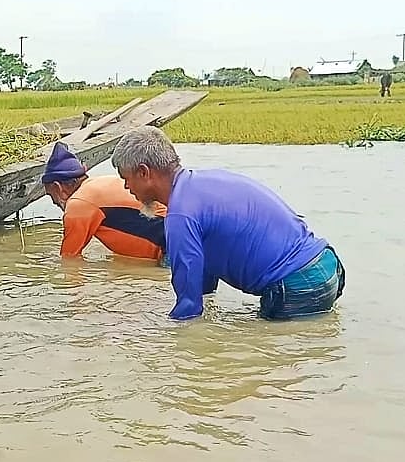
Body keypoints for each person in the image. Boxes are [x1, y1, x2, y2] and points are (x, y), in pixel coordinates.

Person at [110, 125, 345, 321]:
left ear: (144, 173)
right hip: (327, 266)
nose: (126, 188)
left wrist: (168, 343)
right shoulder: (206, 182)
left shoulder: (181, 216)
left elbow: (189, 306)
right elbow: (203, 276)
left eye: (126, 179)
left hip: (297, 285)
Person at [41, 142, 167, 261]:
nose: (54, 203)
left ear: (58, 187)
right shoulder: (100, 183)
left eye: (50, 195)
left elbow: (69, 259)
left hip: (168, 249)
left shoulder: (78, 203)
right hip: (178, 235)